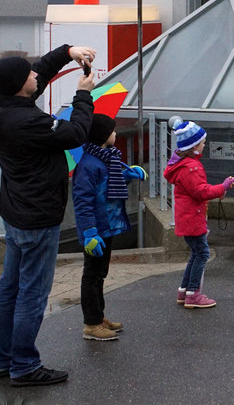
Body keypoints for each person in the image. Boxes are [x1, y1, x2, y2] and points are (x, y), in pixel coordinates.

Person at [0, 43, 97, 387]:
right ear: (21, 84)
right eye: (29, 73)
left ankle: (3, 361)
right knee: (31, 295)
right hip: (38, 217)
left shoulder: (1, 106)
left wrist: (67, 52)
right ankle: (24, 366)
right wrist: (83, 96)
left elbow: (37, 77)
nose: (37, 73)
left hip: (17, 213)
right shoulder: (29, 120)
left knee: (9, 290)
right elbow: (75, 133)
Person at [72, 113, 147, 341]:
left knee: (100, 274)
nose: (115, 134)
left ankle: (99, 317)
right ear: (103, 136)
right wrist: (89, 232)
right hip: (97, 230)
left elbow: (108, 185)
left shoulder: (106, 158)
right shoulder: (88, 165)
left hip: (109, 226)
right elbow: (82, 201)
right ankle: (91, 324)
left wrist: (127, 175)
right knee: (92, 275)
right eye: (112, 131)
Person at [163, 117, 234, 308]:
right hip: (193, 217)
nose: (205, 145)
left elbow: (197, 190)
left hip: (186, 217)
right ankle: (193, 294)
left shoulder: (182, 165)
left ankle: (184, 290)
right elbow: (201, 192)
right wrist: (223, 187)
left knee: (196, 252)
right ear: (194, 146)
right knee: (202, 253)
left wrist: (219, 189)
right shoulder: (192, 167)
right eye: (203, 142)